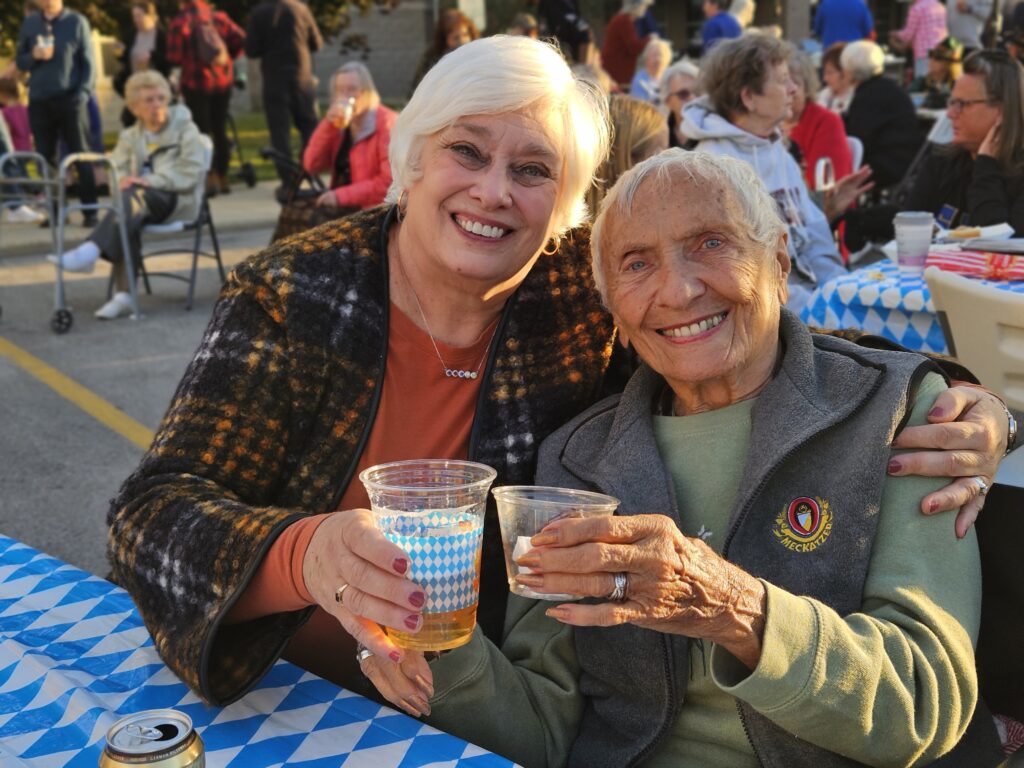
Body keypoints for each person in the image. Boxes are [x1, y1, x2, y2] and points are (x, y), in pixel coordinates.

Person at [105, 35, 1011, 714]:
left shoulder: (585, 295)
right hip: (281, 692)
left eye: (532, 168)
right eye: (467, 151)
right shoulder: (296, 295)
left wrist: (968, 401)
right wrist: (306, 555)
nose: (494, 191)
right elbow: (147, 517)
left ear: (566, 204)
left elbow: (748, 325)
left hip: (475, 704)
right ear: (412, 158)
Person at [367, 150, 1005, 768]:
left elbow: (925, 703)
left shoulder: (896, 412)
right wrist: (440, 646)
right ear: (613, 307)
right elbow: (543, 733)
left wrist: (734, 608)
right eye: (636, 264)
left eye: (711, 243)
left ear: (780, 262)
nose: (676, 289)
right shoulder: (580, 457)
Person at [681, 35, 846, 312]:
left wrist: (840, 287)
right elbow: (742, 275)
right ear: (749, 97)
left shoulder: (779, 151)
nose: (794, 88)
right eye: (783, 80)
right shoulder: (714, 168)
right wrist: (821, 306)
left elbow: (814, 232)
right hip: (770, 315)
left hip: (815, 300)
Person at [46, 71, 205, 320]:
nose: (157, 105)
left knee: (130, 201)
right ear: (134, 108)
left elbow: (190, 173)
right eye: (149, 101)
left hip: (176, 199)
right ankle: (123, 296)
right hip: (137, 203)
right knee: (127, 208)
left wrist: (149, 181)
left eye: (161, 98)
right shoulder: (130, 136)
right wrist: (119, 180)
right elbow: (115, 168)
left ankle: (91, 251)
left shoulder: (186, 128)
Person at [905, 49, 1024, 234]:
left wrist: (986, 165)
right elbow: (909, 229)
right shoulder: (942, 162)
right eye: (951, 103)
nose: (950, 114)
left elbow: (1002, 248)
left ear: (1002, 111)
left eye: (962, 104)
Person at [14, 0, 98, 227]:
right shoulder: (31, 23)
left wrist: (82, 94)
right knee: (45, 157)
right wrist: (34, 55)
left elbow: (89, 63)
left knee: (81, 153)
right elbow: (20, 61)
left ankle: (90, 210)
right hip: (40, 99)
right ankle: (57, 212)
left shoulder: (76, 22)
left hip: (70, 98)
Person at [166, 0, 245, 197]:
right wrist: (226, 60)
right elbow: (241, 40)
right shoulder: (219, 18)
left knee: (201, 131)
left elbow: (174, 56)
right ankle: (223, 178)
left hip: (195, 83)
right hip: (222, 82)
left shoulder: (180, 23)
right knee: (220, 129)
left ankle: (208, 178)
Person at [245, 0, 323, 189]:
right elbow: (317, 43)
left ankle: (288, 180)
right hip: (302, 78)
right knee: (309, 127)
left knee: (280, 133)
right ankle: (308, 169)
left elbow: (251, 50)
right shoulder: (301, 9)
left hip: (274, 80)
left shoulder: (258, 13)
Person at [303, 62, 397, 213]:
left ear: (366, 92)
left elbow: (389, 183)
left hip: (375, 214)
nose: (345, 96)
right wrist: (327, 125)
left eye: (352, 89)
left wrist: (340, 196)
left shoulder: (386, 124)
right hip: (342, 211)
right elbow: (311, 165)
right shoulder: (341, 124)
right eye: (340, 90)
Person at [842, 40, 922, 191]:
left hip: (888, 165)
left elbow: (858, 136)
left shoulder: (867, 96)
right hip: (904, 159)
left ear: (851, 70)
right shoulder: (888, 87)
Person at [784, 49, 855, 192]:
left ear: (807, 88)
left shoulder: (825, 122)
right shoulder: (764, 126)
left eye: (795, 82)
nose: (789, 89)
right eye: (781, 82)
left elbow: (823, 191)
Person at [585, 94, 667, 213]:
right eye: (661, 152)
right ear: (631, 158)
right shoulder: (648, 218)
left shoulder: (565, 215)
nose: (669, 158)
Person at [112, 1, 169, 128]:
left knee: (156, 125)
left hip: (155, 89)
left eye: (139, 15)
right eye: (134, 16)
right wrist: (120, 53)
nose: (136, 20)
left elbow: (169, 59)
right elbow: (126, 59)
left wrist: (152, 56)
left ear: (151, 16)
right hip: (136, 87)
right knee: (129, 122)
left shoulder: (162, 35)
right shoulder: (132, 34)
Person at [0, 75, 43, 224]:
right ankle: (28, 199)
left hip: (16, 148)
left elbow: (9, 131)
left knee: (15, 173)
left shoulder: (6, 112)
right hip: (26, 147)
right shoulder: (25, 109)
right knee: (22, 174)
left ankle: (18, 204)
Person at [409, 9, 478, 94]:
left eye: (465, 34)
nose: (462, 41)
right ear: (444, 40)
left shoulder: (478, 55)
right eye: (456, 38)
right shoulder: (431, 58)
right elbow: (418, 90)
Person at [601, 0, 654, 89]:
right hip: (618, 73)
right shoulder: (624, 21)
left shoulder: (622, 19)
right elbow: (633, 47)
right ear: (636, 6)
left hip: (615, 70)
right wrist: (650, 39)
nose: (645, 9)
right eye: (644, 6)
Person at [889, 0, 949, 78]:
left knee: (922, 83)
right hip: (942, 52)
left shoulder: (916, 8)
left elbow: (907, 35)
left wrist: (894, 34)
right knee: (938, 83)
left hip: (924, 53)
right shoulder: (939, 6)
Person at [909, 35, 964, 108]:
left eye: (938, 57)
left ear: (949, 64)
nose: (932, 60)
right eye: (931, 55)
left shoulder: (956, 86)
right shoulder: (920, 83)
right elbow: (906, 100)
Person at [660, 59, 700, 147]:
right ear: (667, 101)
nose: (693, 98)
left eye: (697, 92)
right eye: (683, 94)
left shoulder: (715, 132)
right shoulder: (657, 135)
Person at [629, 37, 671, 103]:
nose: (658, 59)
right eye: (654, 55)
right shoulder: (639, 81)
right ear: (646, 58)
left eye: (661, 55)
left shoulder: (671, 78)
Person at [817, 42, 854, 113]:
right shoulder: (823, 96)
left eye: (830, 73)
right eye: (824, 73)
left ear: (845, 72)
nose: (825, 78)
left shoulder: (857, 100)